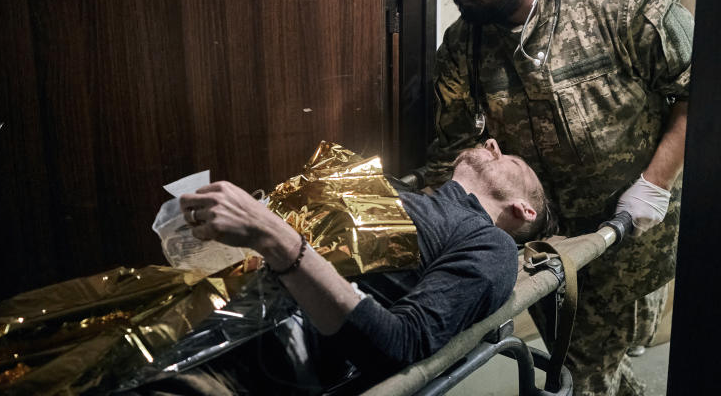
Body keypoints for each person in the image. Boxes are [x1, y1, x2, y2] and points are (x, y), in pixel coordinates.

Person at [424, 0, 693, 395]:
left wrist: (654, 185)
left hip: (630, 227)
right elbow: (453, 147)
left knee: (586, 372)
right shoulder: (465, 45)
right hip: (546, 246)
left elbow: (700, 86)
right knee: (580, 359)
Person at [124, 139, 551, 395]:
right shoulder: (397, 192)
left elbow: (400, 344)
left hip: (241, 369)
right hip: (184, 323)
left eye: (511, 160)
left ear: (524, 210)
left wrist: (277, 238)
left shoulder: (488, 243)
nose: (493, 144)